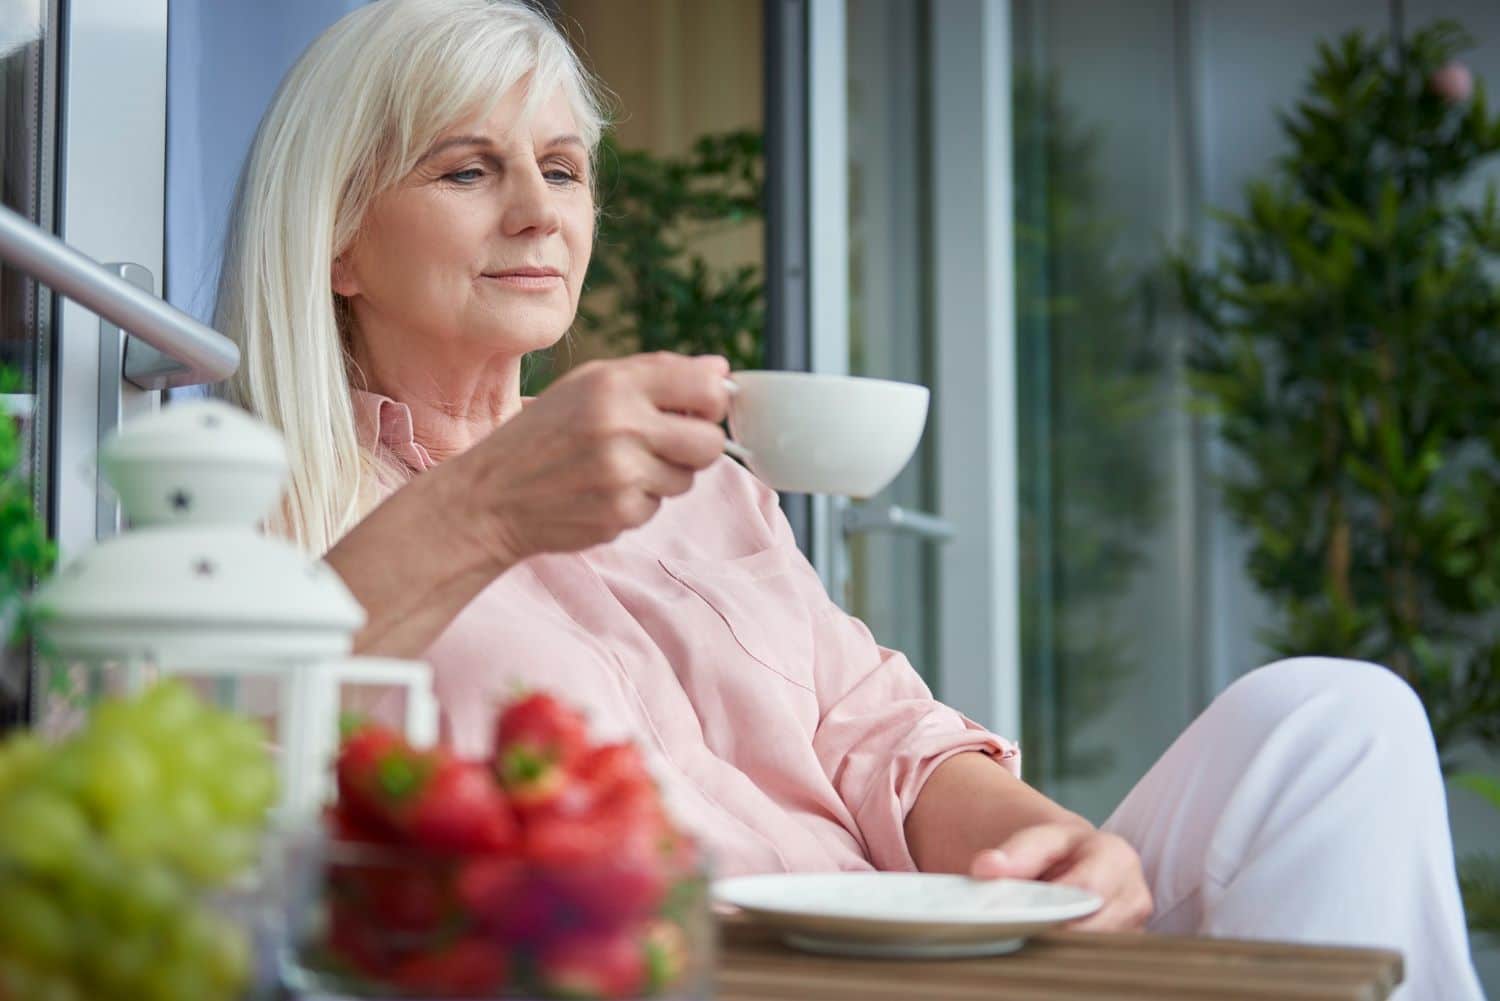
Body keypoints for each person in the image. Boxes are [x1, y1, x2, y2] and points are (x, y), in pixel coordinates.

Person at [214, 1, 1483, 996]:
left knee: (1336, 717)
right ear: (337, 238)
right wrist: (491, 501)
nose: (540, 213)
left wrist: (1044, 846)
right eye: (467, 171)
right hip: (689, 975)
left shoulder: (698, 486)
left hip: (923, 960)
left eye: (563, 167)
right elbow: (233, 751)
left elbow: (878, 731)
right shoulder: (266, 515)